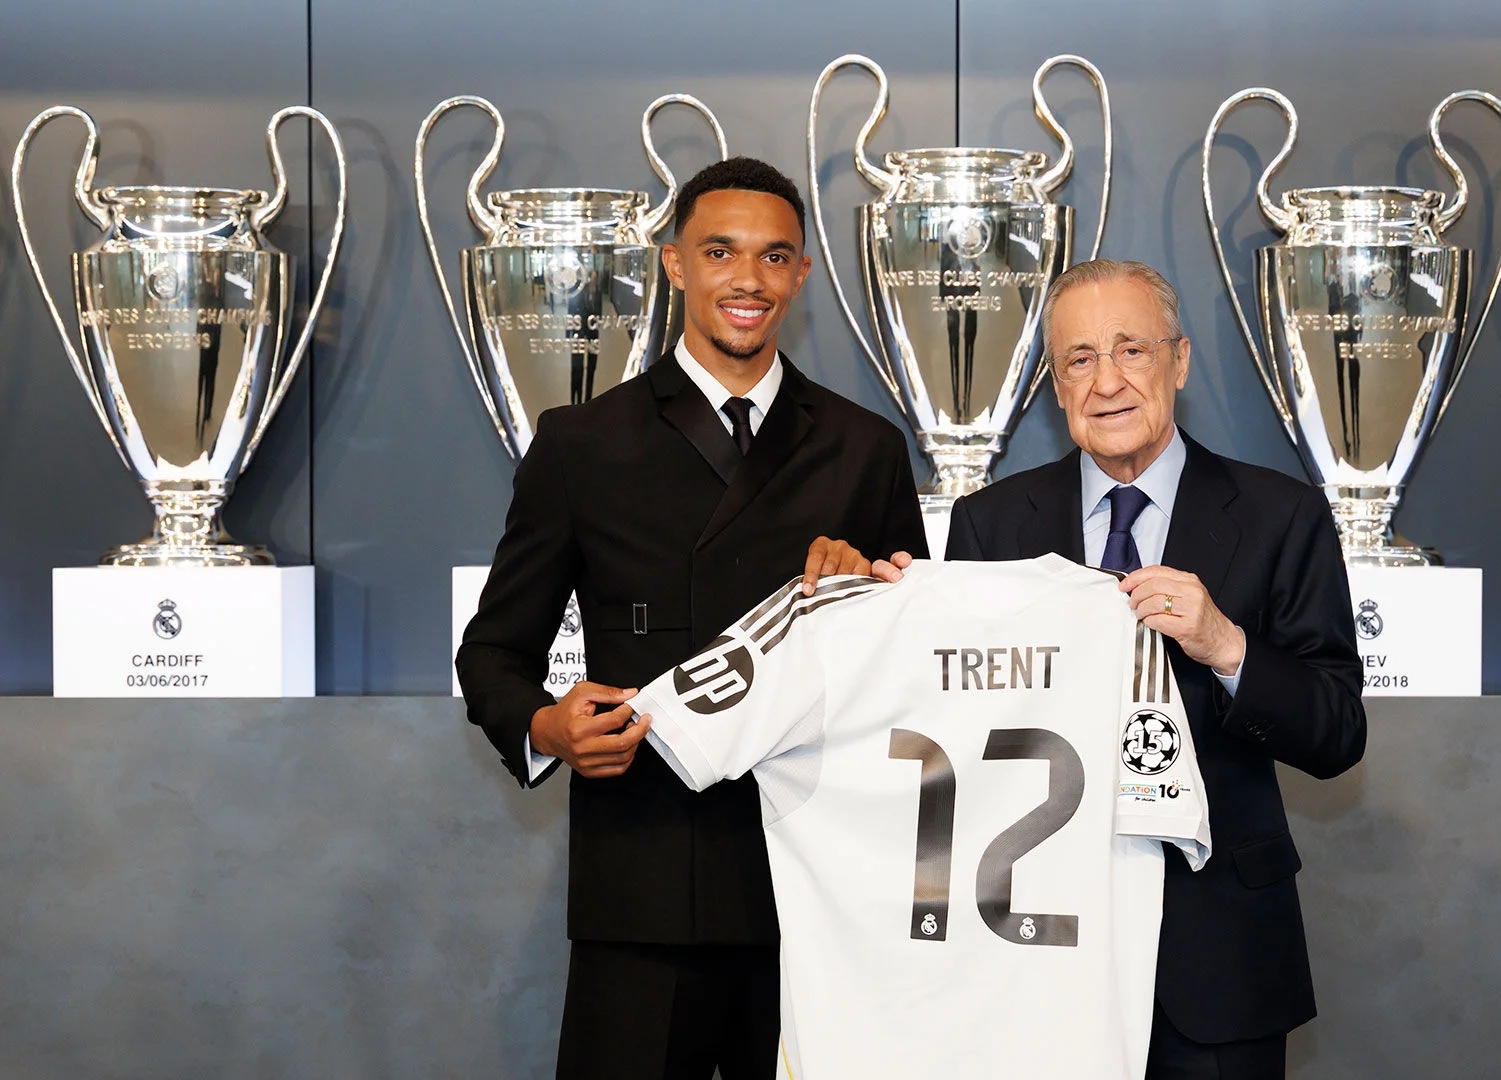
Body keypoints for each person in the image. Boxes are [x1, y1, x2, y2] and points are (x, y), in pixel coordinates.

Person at [456, 156, 927, 1079]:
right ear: (674, 265)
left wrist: (871, 592)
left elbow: (912, 669)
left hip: (815, 891)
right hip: (640, 885)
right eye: (720, 252)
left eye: (775, 257)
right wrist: (547, 727)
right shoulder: (582, 445)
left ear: (801, 274)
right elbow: (493, 653)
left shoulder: (865, 448)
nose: (749, 280)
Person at [933, 258, 1365, 1076]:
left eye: (1131, 350)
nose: (1107, 383)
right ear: (1055, 385)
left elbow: (1338, 731)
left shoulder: (1281, 515)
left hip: (1216, 958)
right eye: (1080, 359)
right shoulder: (990, 525)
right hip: (1034, 955)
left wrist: (1227, 645)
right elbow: (955, 727)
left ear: (1180, 360)